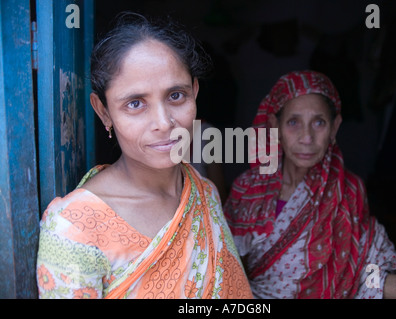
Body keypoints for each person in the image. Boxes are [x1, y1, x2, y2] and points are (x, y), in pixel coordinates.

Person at [36, 12, 253, 299]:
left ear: (195, 93)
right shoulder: (75, 225)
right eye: (135, 103)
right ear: (103, 111)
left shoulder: (204, 193)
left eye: (176, 95)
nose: (164, 122)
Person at [223, 70, 396, 299]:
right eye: (293, 122)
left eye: (319, 122)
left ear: (334, 127)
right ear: (275, 126)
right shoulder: (248, 190)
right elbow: (225, 271)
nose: (307, 137)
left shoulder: (348, 192)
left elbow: (365, 274)